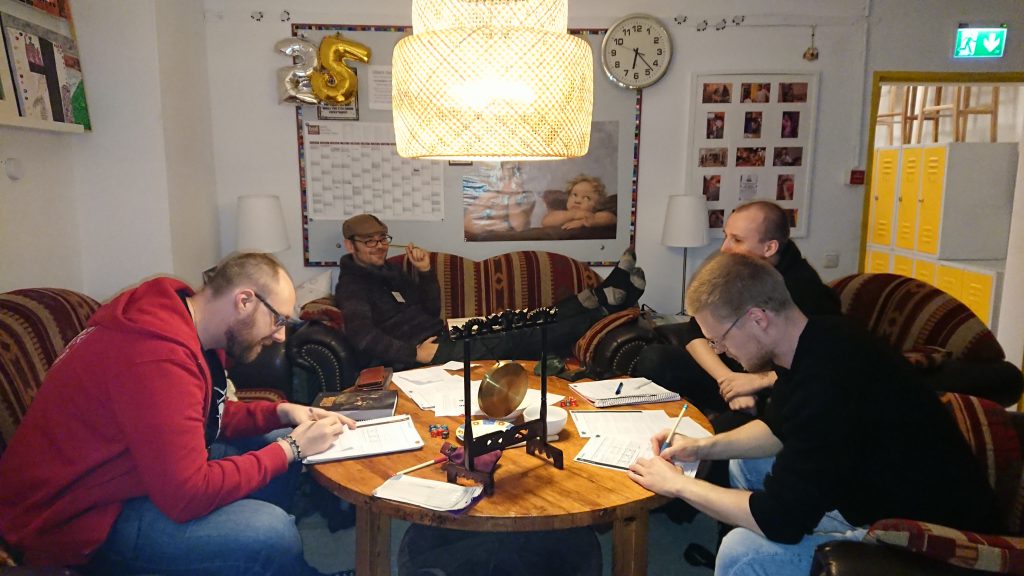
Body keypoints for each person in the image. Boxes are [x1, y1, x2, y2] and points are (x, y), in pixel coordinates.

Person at [628, 252, 999, 576]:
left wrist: (677, 485)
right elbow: (777, 429)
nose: (720, 351)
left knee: (743, 552)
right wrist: (703, 447)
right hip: (871, 488)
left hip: (925, 538)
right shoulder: (819, 337)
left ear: (757, 318)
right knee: (745, 464)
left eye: (719, 339)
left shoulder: (827, 381)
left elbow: (780, 520)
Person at [0, 253, 356, 575]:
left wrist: (283, 412)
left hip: (129, 475)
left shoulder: (187, 322)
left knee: (275, 442)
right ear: (244, 301)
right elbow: (187, 495)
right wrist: (291, 448)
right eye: (277, 320)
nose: (280, 336)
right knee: (271, 530)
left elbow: (208, 416)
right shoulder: (155, 357)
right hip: (76, 519)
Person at [335, 214, 644, 369]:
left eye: (382, 238)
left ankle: (601, 295)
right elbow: (362, 335)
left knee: (518, 319)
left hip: (446, 332)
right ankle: (607, 307)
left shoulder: (389, 273)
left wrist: (426, 271)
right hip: (428, 352)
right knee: (518, 335)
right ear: (351, 245)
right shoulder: (353, 285)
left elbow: (429, 309)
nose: (379, 246)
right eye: (369, 241)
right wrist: (413, 353)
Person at [633, 201, 839, 421]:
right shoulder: (736, 270)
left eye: (737, 240)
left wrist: (753, 383)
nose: (724, 248)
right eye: (726, 236)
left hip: (770, 389)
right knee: (654, 358)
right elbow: (695, 331)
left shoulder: (806, 291)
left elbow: (817, 366)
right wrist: (728, 380)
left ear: (769, 248)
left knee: (722, 430)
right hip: (730, 375)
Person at [463, 161, 536, 236]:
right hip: (487, 240)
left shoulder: (525, 197)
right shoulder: (487, 196)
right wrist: (486, 197)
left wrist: (512, 201)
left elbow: (520, 228)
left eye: (512, 179)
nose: (506, 184)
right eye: (503, 179)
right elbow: (468, 226)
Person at [540, 175, 616, 231]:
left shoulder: (595, 215)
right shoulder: (563, 214)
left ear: (597, 205)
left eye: (586, 198)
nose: (577, 201)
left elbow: (611, 218)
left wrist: (584, 222)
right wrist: (574, 215)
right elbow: (546, 221)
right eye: (574, 195)